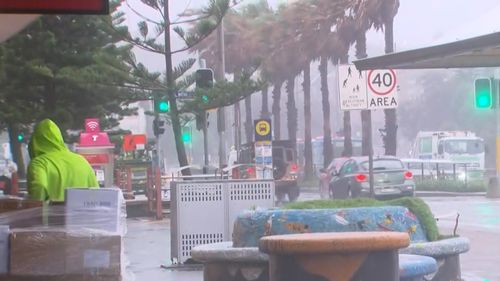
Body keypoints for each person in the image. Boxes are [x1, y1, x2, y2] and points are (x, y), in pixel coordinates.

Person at [27, 119, 98, 201]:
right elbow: (96, 192)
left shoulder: (39, 163)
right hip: (82, 213)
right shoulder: (82, 161)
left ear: (35, 141)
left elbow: (38, 187)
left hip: (50, 213)